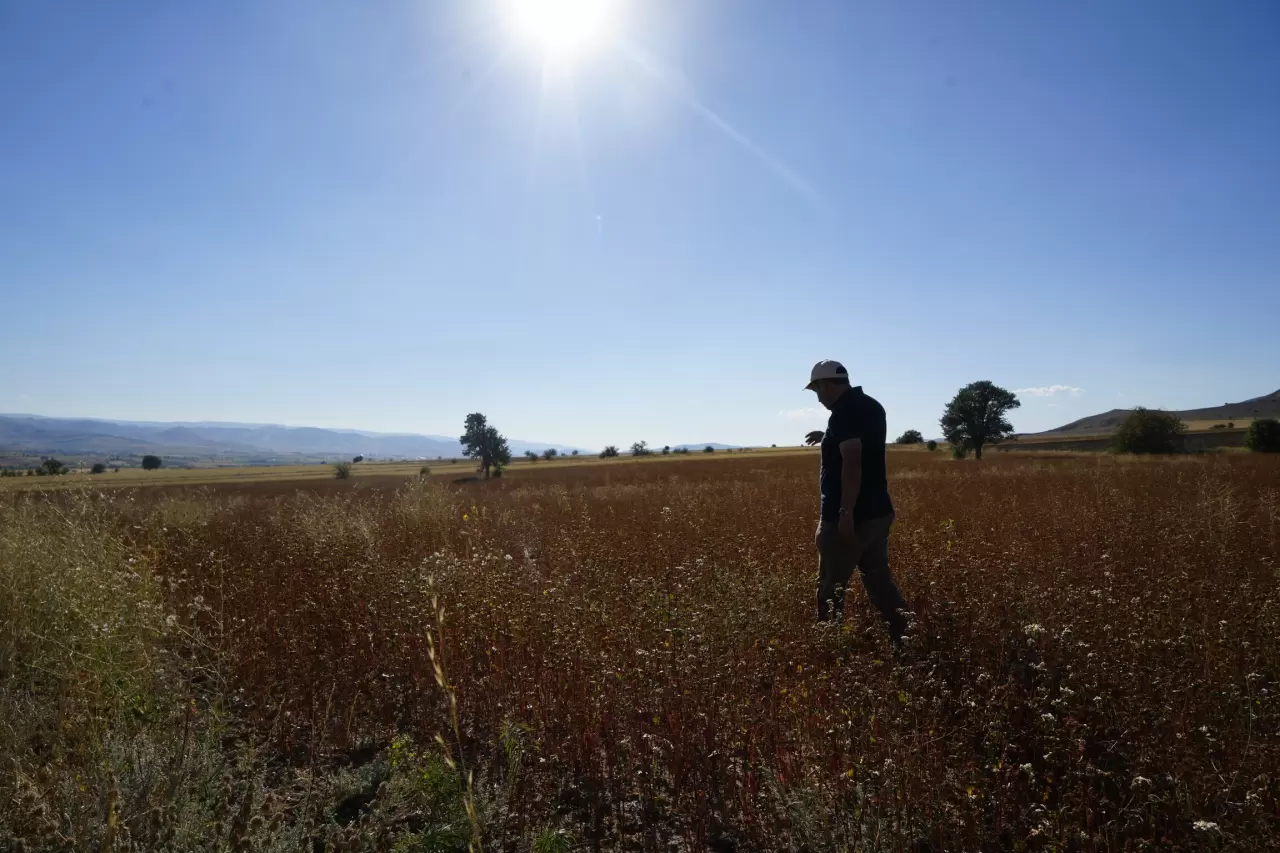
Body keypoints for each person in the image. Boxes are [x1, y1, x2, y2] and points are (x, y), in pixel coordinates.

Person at [803, 360, 909, 642]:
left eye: (816, 391)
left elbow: (852, 461)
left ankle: (830, 649)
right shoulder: (870, 406)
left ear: (824, 385)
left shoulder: (843, 413)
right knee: (878, 582)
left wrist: (845, 513)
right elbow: (861, 441)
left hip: (850, 518)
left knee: (830, 589)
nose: (819, 398)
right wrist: (826, 436)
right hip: (878, 513)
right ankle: (905, 638)